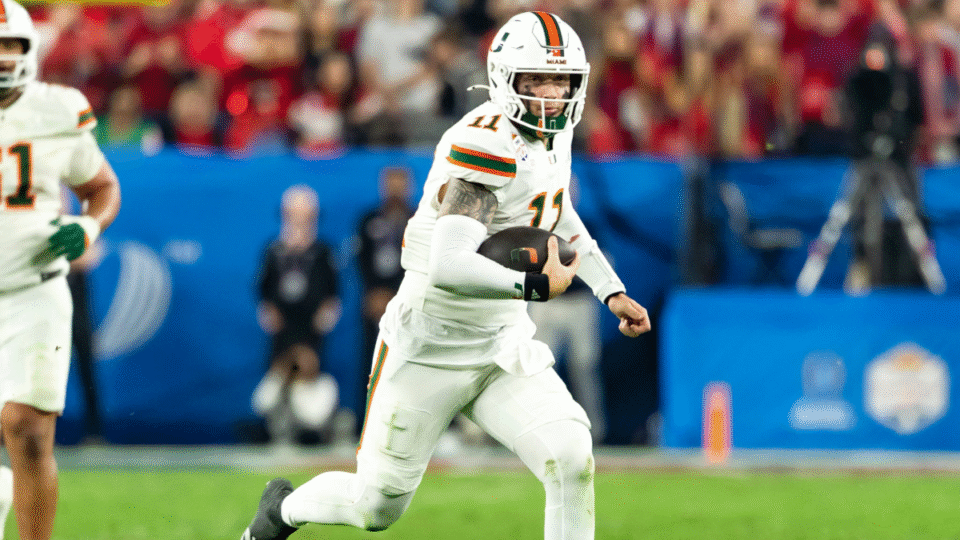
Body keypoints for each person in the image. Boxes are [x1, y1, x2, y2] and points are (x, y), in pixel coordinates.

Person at [241, 11, 650, 540]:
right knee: (376, 506)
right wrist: (532, 286)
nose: (552, 94)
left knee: (571, 456)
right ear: (505, 79)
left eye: (561, 81)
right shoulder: (485, 146)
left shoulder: (555, 136)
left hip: (501, 342)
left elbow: (553, 211)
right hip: (429, 345)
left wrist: (609, 288)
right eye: (536, 80)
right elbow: (448, 264)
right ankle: (281, 511)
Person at [0, 1, 121, 539]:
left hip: (33, 291)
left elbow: (103, 188)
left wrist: (90, 229)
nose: (4, 58)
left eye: (12, 46)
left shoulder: (57, 109)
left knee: (26, 430)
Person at [252, 185, 342, 445]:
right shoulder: (274, 251)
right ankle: (279, 425)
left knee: (312, 399)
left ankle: (319, 426)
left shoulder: (323, 252)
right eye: (294, 213)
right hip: (282, 334)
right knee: (268, 394)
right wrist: (269, 311)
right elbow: (263, 291)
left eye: (306, 214)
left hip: (311, 334)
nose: (300, 219)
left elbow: (332, 295)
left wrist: (324, 315)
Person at [353, 166, 414, 437]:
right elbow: (361, 260)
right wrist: (373, 292)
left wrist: (400, 296)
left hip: (409, 304)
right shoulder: (368, 220)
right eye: (391, 184)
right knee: (372, 361)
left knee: (409, 362)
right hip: (374, 302)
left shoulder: (418, 220)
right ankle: (366, 423)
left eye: (401, 184)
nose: (396, 190)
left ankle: (409, 426)